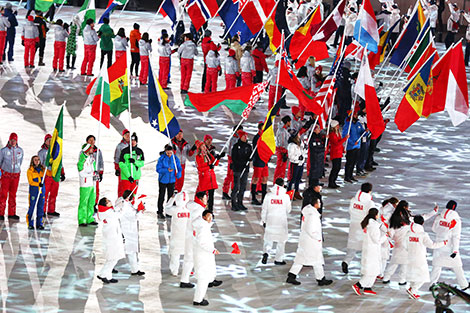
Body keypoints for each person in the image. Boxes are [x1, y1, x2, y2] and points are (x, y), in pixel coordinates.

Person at [286, 196, 333, 286]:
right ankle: (320, 279)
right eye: (319, 202)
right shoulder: (312, 216)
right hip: (311, 242)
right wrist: (318, 238)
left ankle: (292, 276)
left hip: (306, 240)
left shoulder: (309, 212)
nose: (320, 203)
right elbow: (310, 229)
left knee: (305, 259)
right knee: (314, 260)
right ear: (315, 204)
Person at [430, 200, 470, 290]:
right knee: (457, 266)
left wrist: (442, 232)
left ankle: (432, 284)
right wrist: (455, 250)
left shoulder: (439, 217)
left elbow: (434, 229)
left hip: (439, 244)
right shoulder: (456, 220)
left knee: (437, 266)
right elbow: (456, 236)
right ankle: (464, 285)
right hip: (450, 246)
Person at [405, 215, 446, 300]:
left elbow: (404, 245)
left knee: (413, 274)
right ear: (422, 223)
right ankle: (413, 290)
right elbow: (432, 245)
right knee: (423, 276)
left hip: (409, 256)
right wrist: (443, 243)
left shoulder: (408, 233)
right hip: (419, 257)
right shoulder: (423, 235)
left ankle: (411, 289)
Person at [342, 182, 375, 274]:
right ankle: (364, 268)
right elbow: (372, 214)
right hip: (364, 225)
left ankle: (346, 261)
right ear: (370, 191)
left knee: (352, 245)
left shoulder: (354, 200)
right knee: (365, 247)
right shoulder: (369, 202)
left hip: (353, 224)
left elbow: (350, 210)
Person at [352, 208, 386, 296]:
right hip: (372, 251)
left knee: (373, 270)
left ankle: (368, 287)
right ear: (376, 215)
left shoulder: (368, 224)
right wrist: (385, 237)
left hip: (368, 249)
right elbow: (377, 240)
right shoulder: (373, 226)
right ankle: (358, 285)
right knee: (372, 271)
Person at [192, 210, 221, 306]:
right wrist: (212, 250)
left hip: (203, 255)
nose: (210, 219)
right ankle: (198, 299)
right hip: (203, 255)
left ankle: (199, 297)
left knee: (203, 277)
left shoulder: (201, 225)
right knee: (203, 279)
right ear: (204, 217)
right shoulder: (203, 228)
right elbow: (202, 243)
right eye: (209, 217)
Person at [261, 178, 292, 265]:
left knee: (268, 239)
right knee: (281, 241)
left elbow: (264, 209)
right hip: (281, 221)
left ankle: (266, 252)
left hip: (270, 220)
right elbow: (288, 210)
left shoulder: (268, 196)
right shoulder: (286, 196)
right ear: (283, 185)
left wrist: (263, 220)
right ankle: (278, 259)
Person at [180, 191, 207, 289]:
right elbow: (197, 223)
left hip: (188, 234)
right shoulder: (200, 210)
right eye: (205, 198)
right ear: (200, 199)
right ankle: (185, 280)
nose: (206, 200)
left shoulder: (191, 205)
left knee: (189, 258)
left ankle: (185, 279)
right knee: (191, 258)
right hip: (194, 236)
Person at [116, 190, 145, 276]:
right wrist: (141, 212)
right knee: (126, 251)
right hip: (128, 231)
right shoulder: (125, 205)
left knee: (131, 251)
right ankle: (111, 267)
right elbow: (134, 217)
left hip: (130, 231)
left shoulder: (124, 203)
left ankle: (135, 269)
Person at [96, 197, 125, 284]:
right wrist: (124, 206)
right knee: (113, 258)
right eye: (108, 201)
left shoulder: (106, 211)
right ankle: (102, 274)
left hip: (111, 237)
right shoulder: (108, 212)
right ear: (105, 204)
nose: (110, 201)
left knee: (111, 258)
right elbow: (119, 214)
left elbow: (116, 208)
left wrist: (121, 203)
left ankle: (108, 276)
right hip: (112, 238)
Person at [38, 134, 65, 217]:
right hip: (47, 175)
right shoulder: (42, 152)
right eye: (48, 140)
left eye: (51, 140)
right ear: (45, 141)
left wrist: (62, 172)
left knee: (54, 193)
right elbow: (39, 164)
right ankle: (42, 210)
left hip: (55, 175)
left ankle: (51, 210)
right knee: (44, 194)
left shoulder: (57, 150)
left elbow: (60, 162)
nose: (49, 141)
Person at [164, 191, 190, 276]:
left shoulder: (174, 210)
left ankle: (174, 271)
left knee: (175, 254)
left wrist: (172, 198)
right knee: (188, 254)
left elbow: (166, 208)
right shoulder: (189, 210)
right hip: (186, 235)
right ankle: (187, 270)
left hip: (176, 235)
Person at [0, 133, 23, 220]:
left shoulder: (20, 151)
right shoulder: (3, 151)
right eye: (12, 140)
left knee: (13, 195)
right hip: (6, 176)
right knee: (3, 194)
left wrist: (16, 171)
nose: (13, 142)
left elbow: (20, 162)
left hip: (15, 177)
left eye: (15, 140)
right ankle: (1, 213)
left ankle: (12, 213)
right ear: (9, 140)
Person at [156, 144, 182, 219]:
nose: (169, 154)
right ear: (165, 152)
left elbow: (179, 167)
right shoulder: (161, 158)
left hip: (172, 180)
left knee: (170, 197)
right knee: (162, 196)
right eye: (168, 153)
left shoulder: (175, 158)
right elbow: (158, 169)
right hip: (163, 180)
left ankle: (169, 212)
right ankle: (160, 211)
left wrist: (179, 173)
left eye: (171, 153)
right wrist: (166, 170)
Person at [195, 141, 221, 212]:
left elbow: (215, 163)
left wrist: (218, 158)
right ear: (199, 148)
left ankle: (210, 211)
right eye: (202, 146)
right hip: (204, 179)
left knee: (211, 197)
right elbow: (199, 168)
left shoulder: (208, 154)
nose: (204, 147)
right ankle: (202, 211)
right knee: (203, 197)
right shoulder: (198, 157)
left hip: (211, 178)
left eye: (204, 146)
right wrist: (208, 167)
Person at [77, 143, 98, 227]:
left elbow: (94, 170)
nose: (92, 150)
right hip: (85, 184)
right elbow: (81, 173)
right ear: (87, 149)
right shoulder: (82, 160)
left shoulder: (91, 159)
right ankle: (82, 219)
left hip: (92, 184)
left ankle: (90, 218)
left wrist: (96, 176)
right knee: (84, 202)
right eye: (91, 148)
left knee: (91, 202)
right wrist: (92, 174)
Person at [230, 130, 252, 211]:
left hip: (245, 170)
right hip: (237, 169)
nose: (245, 137)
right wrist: (241, 163)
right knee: (236, 187)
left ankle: (240, 202)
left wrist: (250, 159)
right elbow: (234, 158)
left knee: (243, 187)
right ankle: (233, 204)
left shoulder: (248, 146)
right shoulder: (236, 146)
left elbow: (250, 155)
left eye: (246, 136)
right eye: (244, 136)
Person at [342, 110, 365, 183]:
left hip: (357, 146)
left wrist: (365, 132)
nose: (356, 116)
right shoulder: (348, 125)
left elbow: (362, 133)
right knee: (349, 162)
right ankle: (347, 176)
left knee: (354, 162)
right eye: (354, 115)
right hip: (350, 147)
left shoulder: (358, 124)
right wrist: (352, 143)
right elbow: (345, 136)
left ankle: (351, 175)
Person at [222, 126, 242, 200]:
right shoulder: (232, 139)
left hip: (238, 160)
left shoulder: (240, 138)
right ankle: (225, 192)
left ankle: (234, 192)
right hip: (232, 159)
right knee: (230, 176)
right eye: (239, 131)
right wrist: (232, 160)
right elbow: (230, 151)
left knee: (236, 177)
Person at [251, 122, 269, 205]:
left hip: (265, 161)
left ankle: (264, 198)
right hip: (258, 161)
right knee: (256, 179)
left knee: (265, 178)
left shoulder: (266, 137)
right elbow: (257, 149)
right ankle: (253, 198)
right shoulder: (256, 138)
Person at [26, 156, 45, 230]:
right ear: (32, 161)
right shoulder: (30, 171)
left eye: (38, 160)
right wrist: (38, 184)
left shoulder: (43, 170)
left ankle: (39, 223)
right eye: (35, 160)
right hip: (34, 191)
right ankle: (30, 223)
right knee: (32, 207)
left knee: (40, 208)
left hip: (42, 191)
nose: (37, 161)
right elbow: (31, 182)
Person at [328, 120, 348, 188]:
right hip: (335, 153)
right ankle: (331, 182)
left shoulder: (337, 133)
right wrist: (345, 139)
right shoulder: (332, 134)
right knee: (335, 168)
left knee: (337, 168)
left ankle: (334, 181)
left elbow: (339, 143)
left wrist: (343, 150)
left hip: (338, 153)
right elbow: (337, 144)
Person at [287, 132, 307, 200]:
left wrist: (305, 149)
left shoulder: (301, 142)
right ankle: (289, 192)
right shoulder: (291, 145)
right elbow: (290, 156)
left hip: (301, 163)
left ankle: (296, 192)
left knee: (298, 179)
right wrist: (297, 158)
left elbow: (303, 152)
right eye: (298, 134)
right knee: (292, 179)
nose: (299, 135)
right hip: (295, 163)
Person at [86, 135, 104, 203]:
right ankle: (88, 203)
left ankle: (94, 203)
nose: (92, 142)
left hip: (95, 174)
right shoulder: (84, 151)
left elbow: (100, 162)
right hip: (87, 174)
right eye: (90, 140)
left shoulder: (98, 151)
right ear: (87, 141)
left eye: (93, 140)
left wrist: (101, 172)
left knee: (96, 189)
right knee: (88, 189)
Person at [273, 116, 291, 182]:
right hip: (282, 151)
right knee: (280, 168)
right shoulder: (282, 131)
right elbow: (282, 142)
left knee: (282, 168)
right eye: (290, 122)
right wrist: (284, 152)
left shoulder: (284, 129)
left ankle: (280, 182)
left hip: (283, 150)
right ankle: (277, 182)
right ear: (287, 122)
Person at [114, 129, 129, 197]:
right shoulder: (120, 146)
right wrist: (117, 168)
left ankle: (129, 199)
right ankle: (120, 198)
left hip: (130, 167)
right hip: (122, 167)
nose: (128, 136)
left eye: (129, 134)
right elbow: (117, 157)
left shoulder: (132, 144)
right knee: (122, 184)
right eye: (126, 135)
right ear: (123, 136)